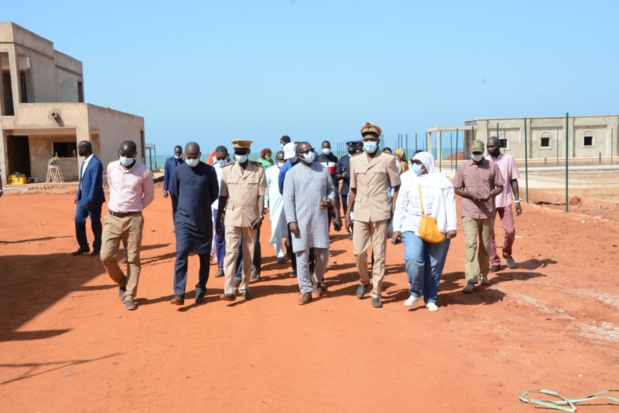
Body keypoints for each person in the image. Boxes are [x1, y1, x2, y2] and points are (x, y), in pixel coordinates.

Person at [391, 152, 457, 311]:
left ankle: (431, 298)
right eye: (412, 161)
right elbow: (401, 204)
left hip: (437, 223)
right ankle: (415, 291)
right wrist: (396, 228)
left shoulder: (442, 181)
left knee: (434, 264)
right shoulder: (407, 179)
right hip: (412, 223)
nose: (414, 164)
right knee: (413, 258)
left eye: (418, 162)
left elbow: (450, 204)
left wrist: (452, 226)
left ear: (427, 164)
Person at [346, 122, 401, 308]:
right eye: (366, 139)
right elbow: (352, 188)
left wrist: (394, 209)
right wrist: (347, 213)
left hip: (380, 211)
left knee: (380, 254)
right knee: (358, 252)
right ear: (362, 141)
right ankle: (364, 279)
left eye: (372, 139)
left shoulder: (387, 159)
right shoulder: (354, 160)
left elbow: (396, 185)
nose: (369, 142)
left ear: (378, 140)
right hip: (360, 211)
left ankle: (376, 291)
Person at [100, 140, 155, 311]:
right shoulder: (111, 167)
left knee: (133, 259)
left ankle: (130, 295)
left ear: (134, 156)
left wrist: (135, 208)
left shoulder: (144, 172)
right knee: (105, 256)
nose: (124, 158)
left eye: (128, 156)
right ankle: (122, 281)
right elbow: (111, 186)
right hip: (112, 218)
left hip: (134, 220)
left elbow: (149, 196)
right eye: (122, 155)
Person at [283, 142, 336, 304]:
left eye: (311, 150)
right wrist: (291, 221)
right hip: (300, 220)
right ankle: (305, 290)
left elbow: (331, 189)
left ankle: (317, 277)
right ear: (299, 155)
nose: (310, 153)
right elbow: (288, 200)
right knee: (302, 256)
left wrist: (330, 199)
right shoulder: (292, 174)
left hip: (320, 218)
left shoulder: (322, 169)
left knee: (323, 254)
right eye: (306, 151)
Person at [168, 142, 219, 305]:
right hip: (183, 220)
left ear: (200, 154)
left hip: (203, 219)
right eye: (188, 157)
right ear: (184, 155)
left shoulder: (209, 171)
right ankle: (179, 293)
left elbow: (214, 193)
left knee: (204, 256)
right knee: (181, 253)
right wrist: (180, 214)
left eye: (194, 157)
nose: (191, 160)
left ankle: (201, 289)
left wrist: (201, 205)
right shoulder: (178, 171)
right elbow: (174, 195)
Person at [216, 139, 267, 301]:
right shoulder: (227, 170)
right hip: (231, 216)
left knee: (248, 254)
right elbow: (222, 196)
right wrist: (218, 220)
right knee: (230, 252)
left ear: (248, 153)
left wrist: (260, 215)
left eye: (243, 153)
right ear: (234, 153)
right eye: (237, 153)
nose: (240, 156)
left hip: (251, 218)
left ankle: (245, 286)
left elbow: (261, 195)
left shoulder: (258, 170)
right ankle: (229, 289)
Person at [453, 139, 504, 293]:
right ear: (471, 152)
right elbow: (456, 188)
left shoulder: (492, 166)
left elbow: (500, 186)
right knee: (470, 244)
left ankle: (484, 274)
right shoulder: (463, 167)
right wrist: (470, 195)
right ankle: (470, 278)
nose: (476, 155)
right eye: (474, 153)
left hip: (487, 211)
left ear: (483, 152)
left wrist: (489, 195)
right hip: (469, 211)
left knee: (485, 243)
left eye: (479, 152)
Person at [487, 136, 522, 271]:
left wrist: (517, 200)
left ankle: (507, 253)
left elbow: (513, 180)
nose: (490, 149)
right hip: (489, 202)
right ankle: (495, 261)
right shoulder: (485, 161)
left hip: (505, 200)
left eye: (492, 146)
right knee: (489, 233)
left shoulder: (508, 159)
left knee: (510, 230)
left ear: (499, 146)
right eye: (488, 147)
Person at [72, 140, 105, 256]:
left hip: (93, 199)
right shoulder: (84, 162)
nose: (78, 151)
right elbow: (81, 181)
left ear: (84, 149)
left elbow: (96, 184)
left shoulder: (96, 163)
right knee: (78, 220)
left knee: (95, 222)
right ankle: (83, 246)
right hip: (82, 198)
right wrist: (78, 194)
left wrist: (90, 200)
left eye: (79, 149)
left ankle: (98, 247)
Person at [278, 142, 301, 277]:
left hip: (306, 206)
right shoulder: (284, 169)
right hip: (291, 208)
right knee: (292, 240)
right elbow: (281, 189)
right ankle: (295, 267)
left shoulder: (303, 165)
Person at [266, 151, 288, 264]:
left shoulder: (290, 169)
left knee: (291, 225)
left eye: (284, 160)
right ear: (276, 159)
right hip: (275, 203)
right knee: (276, 228)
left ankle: (290, 245)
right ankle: (280, 253)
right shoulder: (270, 171)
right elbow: (265, 188)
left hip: (288, 203)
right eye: (280, 160)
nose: (282, 162)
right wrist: (265, 204)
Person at [212, 145, 230, 278]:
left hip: (231, 206)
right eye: (218, 158)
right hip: (217, 206)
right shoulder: (213, 170)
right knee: (219, 235)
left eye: (223, 158)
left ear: (227, 155)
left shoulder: (233, 168)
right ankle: (220, 266)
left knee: (232, 237)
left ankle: (232, 265)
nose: (221, 160)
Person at [335, 141, 357, 238]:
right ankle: (351, 230)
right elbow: (336, 174)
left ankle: (357, 230)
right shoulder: (342, 160)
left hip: (358, 190)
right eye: (349, 147)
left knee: (357, 210)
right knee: (346, 210)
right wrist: (342, 175)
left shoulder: (360, 158)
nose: (351, 148)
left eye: (353, 147)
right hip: (346, 189)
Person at [163, 145, 184, 221]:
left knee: (182, 206)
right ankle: (176, 224)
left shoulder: (184, 162)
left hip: (182, 188)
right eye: (176, 152)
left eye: (179, 152)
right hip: (172, 188)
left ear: (181, 152)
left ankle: (182, 222)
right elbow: (166, 176)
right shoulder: (169, 161)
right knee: (175, 206)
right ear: (174, 151)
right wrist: (165, 189)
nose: (177, 154)